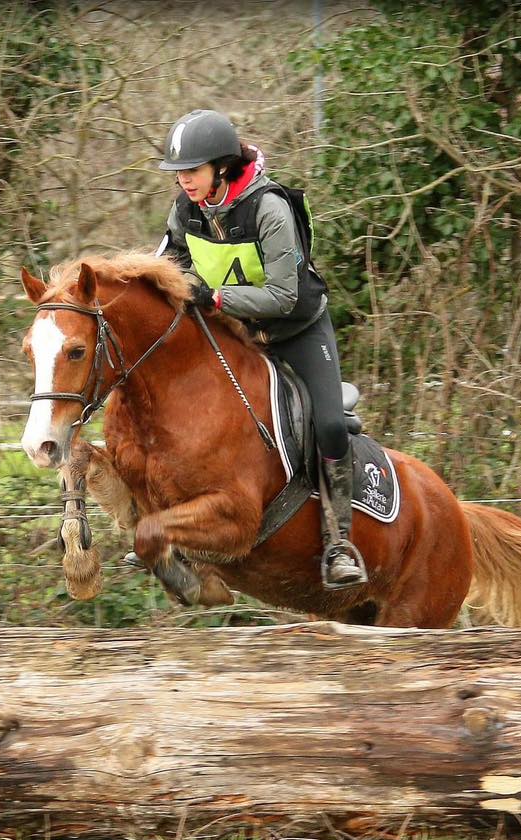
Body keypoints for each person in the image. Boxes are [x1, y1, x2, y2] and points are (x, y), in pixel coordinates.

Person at [154, 108, 366, 589]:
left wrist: (215, 297)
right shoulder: (185, 211)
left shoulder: (269, 208)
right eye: (179, 173)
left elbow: (283, 294)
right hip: (236, 334)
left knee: (329, 424)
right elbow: (164, 268)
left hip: (296, 331)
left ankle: (339, 544)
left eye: (192, 170)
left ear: (221, 167)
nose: (184, 181)